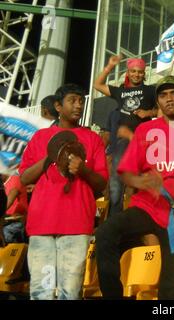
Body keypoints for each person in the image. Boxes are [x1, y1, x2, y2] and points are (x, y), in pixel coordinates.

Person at [95, 76, 174, 300]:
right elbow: (126, 171)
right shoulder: (145, 130)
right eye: (163, 95)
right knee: (106, 233)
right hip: (147, 206)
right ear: (158, 102)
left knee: (169, 287)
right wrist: (140, 182)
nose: (169, 99)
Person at [19, 83, 108, 300]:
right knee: (42, 292)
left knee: (71, 293)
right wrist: (49, 158)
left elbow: (101, 183)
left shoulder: (93, 138)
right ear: (58, 106)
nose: (78, 105)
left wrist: (83, 169)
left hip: (77, 225)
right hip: (41, 225)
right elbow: (23, 177)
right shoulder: (40, 137)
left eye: (81, 101)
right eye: (72, 101)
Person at [94, 56, 157, 216]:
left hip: (145, 142)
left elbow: (161, 109)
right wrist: (110, 66)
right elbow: (97, 84)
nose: (137, 75)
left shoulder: (151, 90)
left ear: (144, 74)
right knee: (116, 182)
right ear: (128, 73)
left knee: (141, 183)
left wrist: (148, 112)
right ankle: (115, 219)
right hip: (123, 143)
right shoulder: (121, 92)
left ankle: (141, 217)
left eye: (140, 72)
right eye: (133, 71)